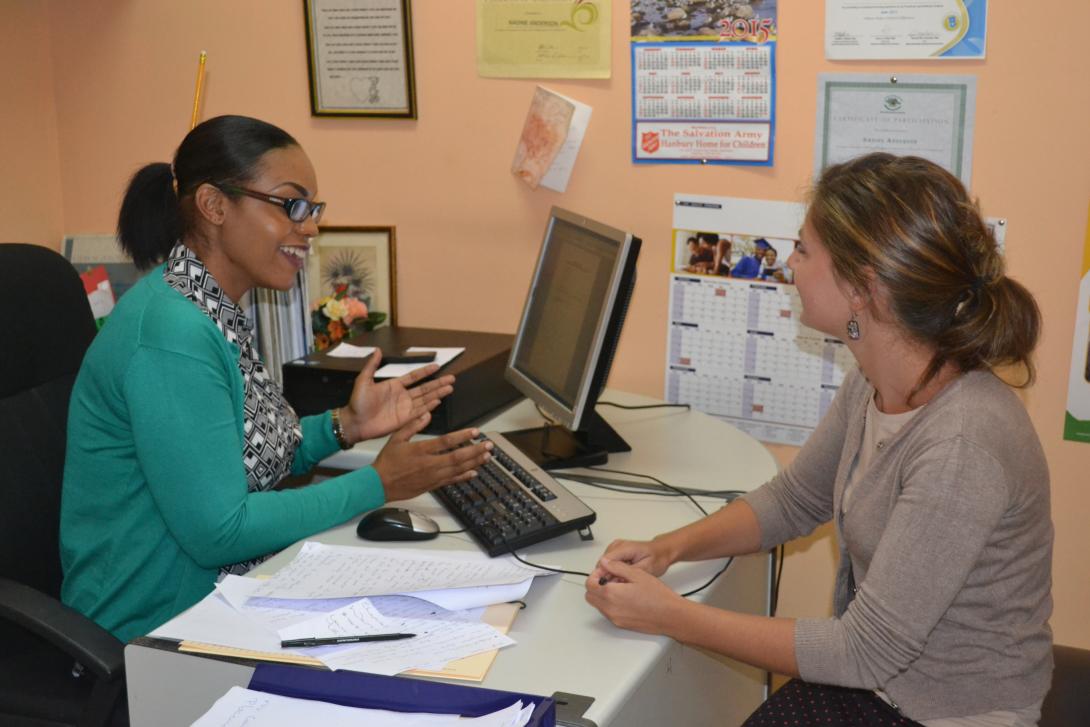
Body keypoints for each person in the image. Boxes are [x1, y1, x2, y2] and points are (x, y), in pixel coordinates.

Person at [585, 153, 1052, 726]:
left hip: (946, 713)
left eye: (804, 249)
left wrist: (671, 616)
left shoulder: (963, 442)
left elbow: (863, 651)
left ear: (862, 288)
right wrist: (668, 548)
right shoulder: (875, 380)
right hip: (876, 689)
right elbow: (794, 500)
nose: (789, 264)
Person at [60, 115, 493, 643]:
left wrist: (343, 427)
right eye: (291, 205)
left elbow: (243, 457)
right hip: (157, 629)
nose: (309, 226)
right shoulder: (171, 335)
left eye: (312, 209)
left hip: (229, 593)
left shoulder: (210, 307)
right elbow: (221, 532)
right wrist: (378, 483)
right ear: (215, 206)